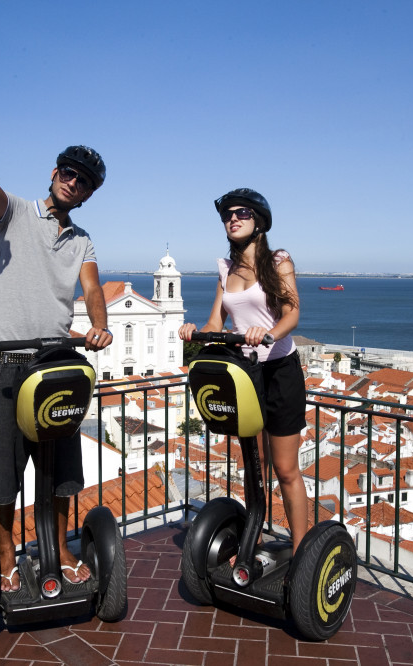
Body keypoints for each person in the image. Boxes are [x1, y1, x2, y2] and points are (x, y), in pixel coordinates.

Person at [0, 75, 113, 591]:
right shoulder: (16, 213)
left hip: (54, 364)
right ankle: (5, 557)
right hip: (4, 364)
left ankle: (63, 549)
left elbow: (91, 290)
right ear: (54, 174)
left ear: (88, 195)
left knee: (63, 472)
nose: (74, 182)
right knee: (4, 476)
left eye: (84, 181)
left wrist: (100, 326)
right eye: (69, 172)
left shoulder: (83, 239)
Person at [178, 188, 308, 551]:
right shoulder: (225, 269)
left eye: (242, 213)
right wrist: (194, 332)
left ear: (259, 221)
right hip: (245, 373)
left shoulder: (279, 260)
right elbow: (214, 323)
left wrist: (267, 335)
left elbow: (292, 313)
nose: (232, 218)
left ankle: (301, 552)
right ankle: (255, 538)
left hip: (279, 369)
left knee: (285, 469)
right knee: (254, 464)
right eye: (227, 215)